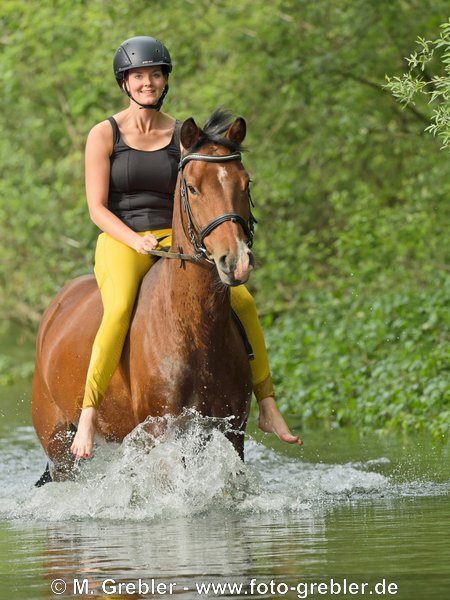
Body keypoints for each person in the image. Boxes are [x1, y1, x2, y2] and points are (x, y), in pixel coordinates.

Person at [70, 36, 302, 459]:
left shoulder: (184, 135)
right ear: (124, 82)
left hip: (177, 241)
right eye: (138, 76)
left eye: (155, 75)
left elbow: (206, 188)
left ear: (165, 81)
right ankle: (87, 412)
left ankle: (268, 405)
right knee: (120, 307)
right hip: (123, 240)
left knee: (245, 303)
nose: (147, 82)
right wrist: (132, 238)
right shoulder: (104, 134)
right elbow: (96, 208)